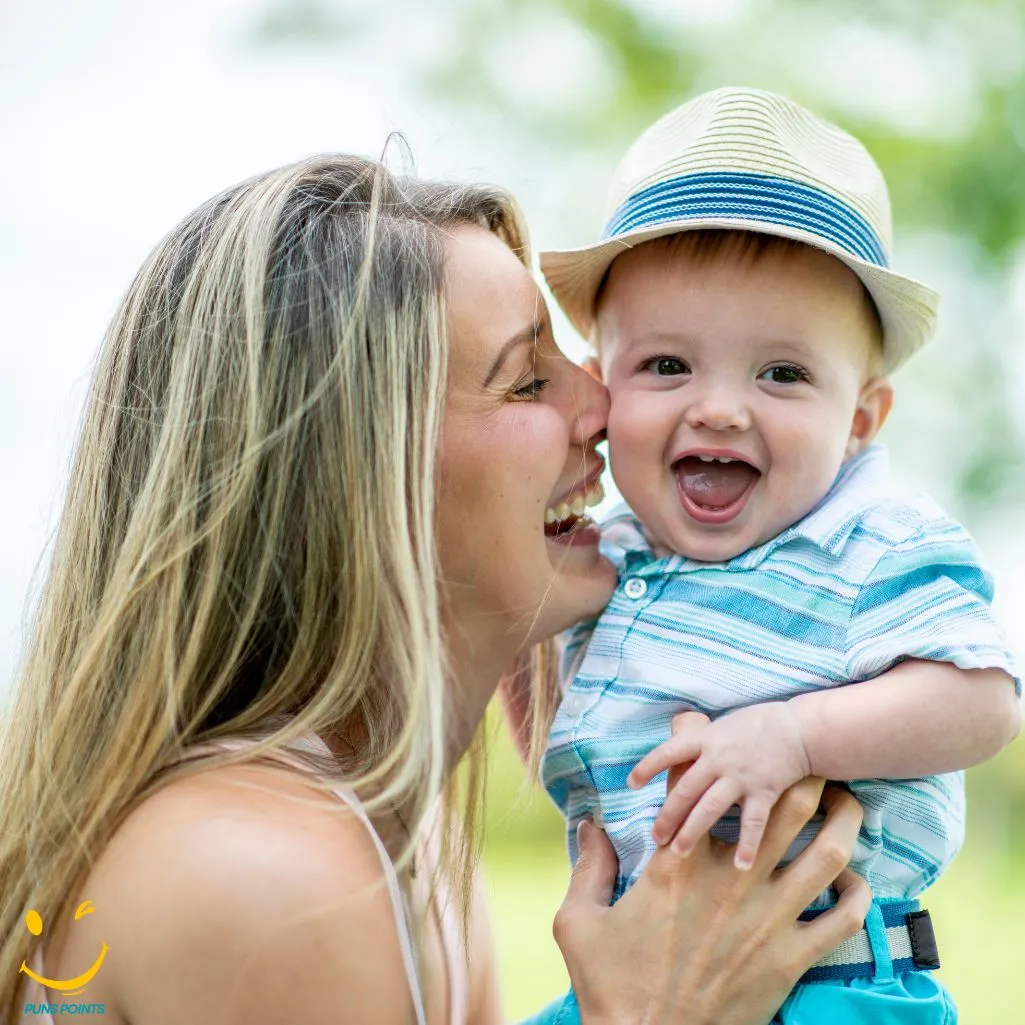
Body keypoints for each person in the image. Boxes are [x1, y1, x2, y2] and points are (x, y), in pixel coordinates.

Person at [0, 153, 875, 1025]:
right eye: (528, 378)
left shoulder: (411, 865)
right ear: (356, 477)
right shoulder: (266, 882)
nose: (604, 404)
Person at [539, 87, 1022, 1022]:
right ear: (602, 393)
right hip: (624, 973)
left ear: (859, 421)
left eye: (781, 373)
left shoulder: (868, 541)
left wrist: (796, 734)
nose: (719, 407)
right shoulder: (612, 554)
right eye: (667, 365)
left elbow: (982, 701)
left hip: (833, 984)